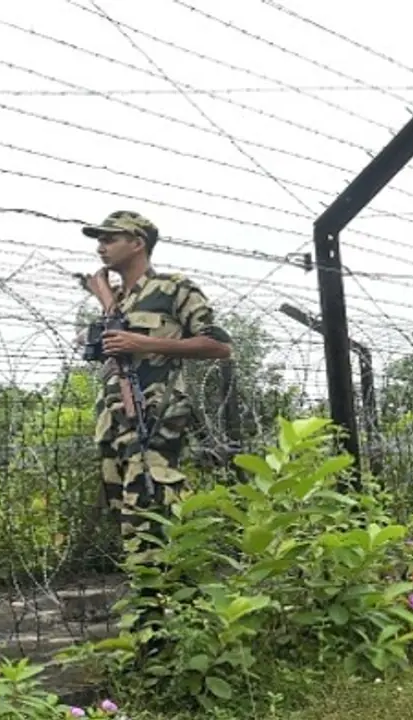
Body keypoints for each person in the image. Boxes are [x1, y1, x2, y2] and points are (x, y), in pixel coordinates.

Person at [77, 210, 232, 634]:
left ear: (138, 242)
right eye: (99, 238)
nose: (100, 245)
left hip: (156, 416)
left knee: (150, 508)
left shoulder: (173, 288)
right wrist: (107, 303)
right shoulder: (122, 300)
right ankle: (158, 610)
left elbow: (219, 344)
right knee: (127, 516)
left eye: (110, 237)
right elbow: (117, 342)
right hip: (115, 421)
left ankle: (164, 620)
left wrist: (144, 342)